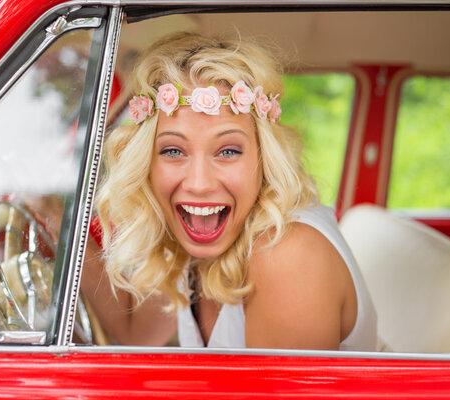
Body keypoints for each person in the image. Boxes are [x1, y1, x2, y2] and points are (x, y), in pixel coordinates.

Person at [82, 32, 377, 350]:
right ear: (146, 164)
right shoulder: (190, 239)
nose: (199, 184)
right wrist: (62, 231)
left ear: (263, 158)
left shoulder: (286, 254)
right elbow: (138, 334)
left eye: (227, 151)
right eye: (172, 151)